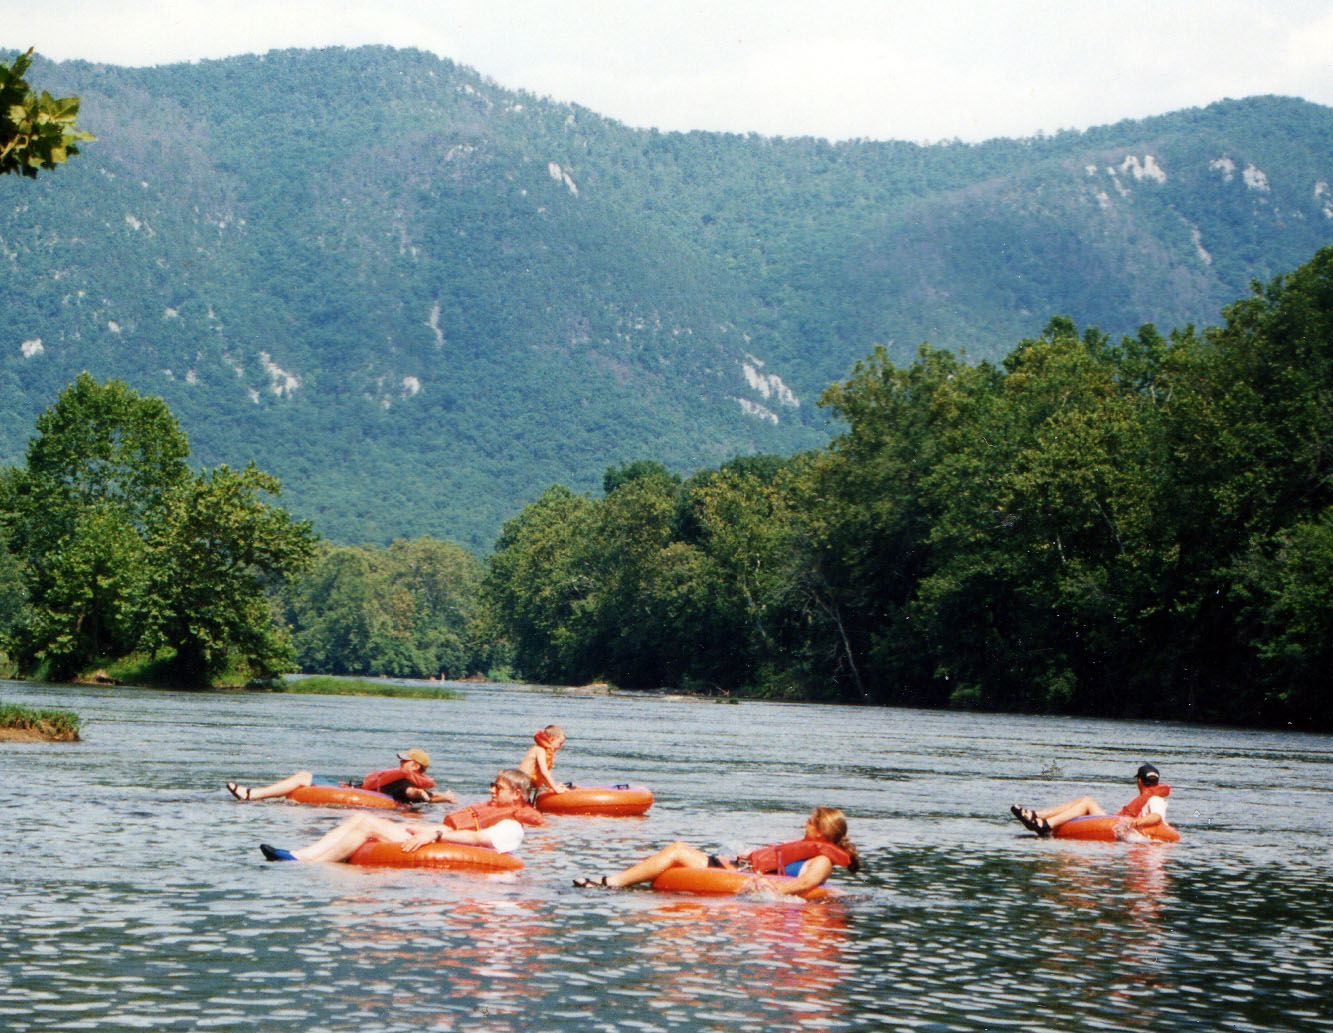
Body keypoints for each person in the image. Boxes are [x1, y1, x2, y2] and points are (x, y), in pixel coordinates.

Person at [573, 806, 862, 896]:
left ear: (822, 832)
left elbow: (803, 885)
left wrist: (763, 889)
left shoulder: (822, 859)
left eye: (810, 822)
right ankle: (613, 881)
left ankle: (610, 882)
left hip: (740, 877)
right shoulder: (813, 851)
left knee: (676, 850)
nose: (804, 824)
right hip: (737, 869)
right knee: (677, 847)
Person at [260, 769, 534, 862]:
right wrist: (420, 827)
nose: (491, 790)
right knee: (360, 820)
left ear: (517, 794)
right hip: (438, 839)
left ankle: (302, 859)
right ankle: (303, 855)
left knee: (366, 823)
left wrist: (435, 833)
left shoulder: (511, 825)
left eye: (498, 787)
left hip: (444, 846)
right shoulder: (492, 812)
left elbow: (478, 838)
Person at [227, 748, 456, 806]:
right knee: (302, 779)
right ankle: (255, 796)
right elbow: (421, 793)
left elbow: (410, 792)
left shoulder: (405, 781)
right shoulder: (401, 777)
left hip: (358, 796)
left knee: (303, 776)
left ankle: (252, 795)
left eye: (404, 760)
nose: (400, 762)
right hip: (351, 788)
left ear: (415, 765)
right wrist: (442, 797)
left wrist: (423, 795)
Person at [1011, 762, 1170, 837]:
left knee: (1087, 802)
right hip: (1117, 822)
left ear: (1139, 781)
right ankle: (1036, 816)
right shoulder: (1150, 797)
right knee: (1085, 801)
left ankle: (1045, 823)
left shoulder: (1155, 799)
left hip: (1122, 825)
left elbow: (1156, 817)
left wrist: (1135, 823)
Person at [519, 725, 569, 795]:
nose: (560, 747)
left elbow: (543, 777)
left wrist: (553, 786)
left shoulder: (544, 751)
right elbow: (544, 772)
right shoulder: (540, 750)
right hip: (520, 783)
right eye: (560, 744)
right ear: (551, 739)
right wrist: (556, 789)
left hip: (525, 785)